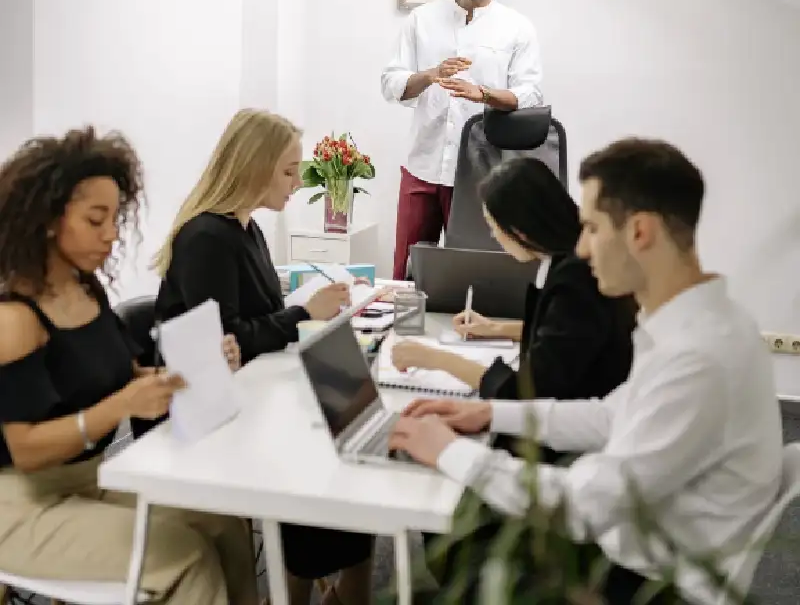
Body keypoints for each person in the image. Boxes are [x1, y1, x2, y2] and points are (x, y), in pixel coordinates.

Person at [389, 138, 783, 604]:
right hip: (634, 553)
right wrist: (490, 414)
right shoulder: (702, 327)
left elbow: (581, 507)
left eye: (592, 228)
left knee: (443, 530)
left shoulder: (697, 358)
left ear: (640, 233)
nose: (580, 246)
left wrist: (453, 452)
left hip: (638, 585)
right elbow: (609, 417)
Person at [0, 127, 258, 605]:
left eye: (115, 218)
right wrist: (123, 402)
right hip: (21, 504)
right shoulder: (14, 319)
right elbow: (28, 450)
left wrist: (186, 370)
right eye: (96, 219)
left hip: (90, 480)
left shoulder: (86, 292)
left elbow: (123, 378)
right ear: (48, 221)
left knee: (223, 525)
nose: (112, 234)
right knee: (185, 557)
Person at [152, 108, 373, 605]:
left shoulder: (246, 229)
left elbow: (256, 323)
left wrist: (302, 312)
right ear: (253, 168)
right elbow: (228, 342)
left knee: (343, 420)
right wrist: (301, 312)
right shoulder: (207, 237)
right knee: (319, 452)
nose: (297, 182)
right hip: (207, 408)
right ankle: (324, 578)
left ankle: (322, 577)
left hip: (249, 388)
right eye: (289, 171)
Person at [391, 157, 634, 406]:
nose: (493, 236)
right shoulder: (564, 266)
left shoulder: (575, 282)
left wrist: (437, 359)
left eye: (493, 227)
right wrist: (495, 329)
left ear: (519, 230)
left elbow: (525, 390)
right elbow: (565, 337)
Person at [381, 0, 544, 280]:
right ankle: (400, 334)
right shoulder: (422, 19)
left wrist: (483, 94)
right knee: (406, 272)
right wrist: (431, 74)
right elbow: (391, 83)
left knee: (471, 274)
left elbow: (530, 94)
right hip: (421, 166)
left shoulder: (518, 28)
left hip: (478, 172)